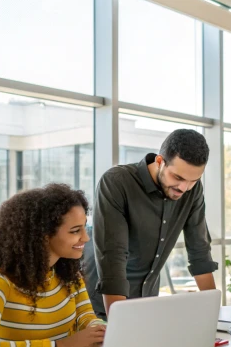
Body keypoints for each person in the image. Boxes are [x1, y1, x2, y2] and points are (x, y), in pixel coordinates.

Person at [0, 184, 106, 347]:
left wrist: (102, 332)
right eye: (75, 231)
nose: (85, 237)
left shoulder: (69, 275)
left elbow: (85, 318)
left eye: (85, 228)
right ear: (42, 236)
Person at [83, 129, 218, 319]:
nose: (184, 188)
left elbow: (200, 252)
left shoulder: (192, 192)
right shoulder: (117, 182)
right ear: (160, 161)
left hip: (147, 303)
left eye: (193, 181)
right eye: (177, 177)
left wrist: (214, 316)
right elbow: (112, 259)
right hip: (103, 307)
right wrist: (120, 323)